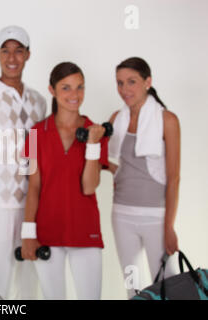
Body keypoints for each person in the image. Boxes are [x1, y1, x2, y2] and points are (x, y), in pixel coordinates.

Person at [0, 26, 47, 299]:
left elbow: (41, 157)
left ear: (28, 55)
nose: (12, 57)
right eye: (6, 50)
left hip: (34, 206)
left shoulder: (39, 102)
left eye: (18, 50)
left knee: (29, 285)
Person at [21, 62, 108, 300]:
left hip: (85, 232)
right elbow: (34, 187)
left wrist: (92, 145)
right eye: (66, 87)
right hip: (47, 232)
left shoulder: (95, 131)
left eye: (80, 87)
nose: (74, 95)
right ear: (52, 90)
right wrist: (28, 233)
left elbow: (89, 186)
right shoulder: (37, 133)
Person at [108, 57, 180, 298]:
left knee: (168, 284)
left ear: (147, 82)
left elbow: (174, 178)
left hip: (155, 218)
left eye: (131, 82)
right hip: (122, 216)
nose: (124, 90)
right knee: (133, 286)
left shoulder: (167, 120)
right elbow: (112, 164)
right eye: (120, 83)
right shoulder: (116, 119)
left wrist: (169, 226)